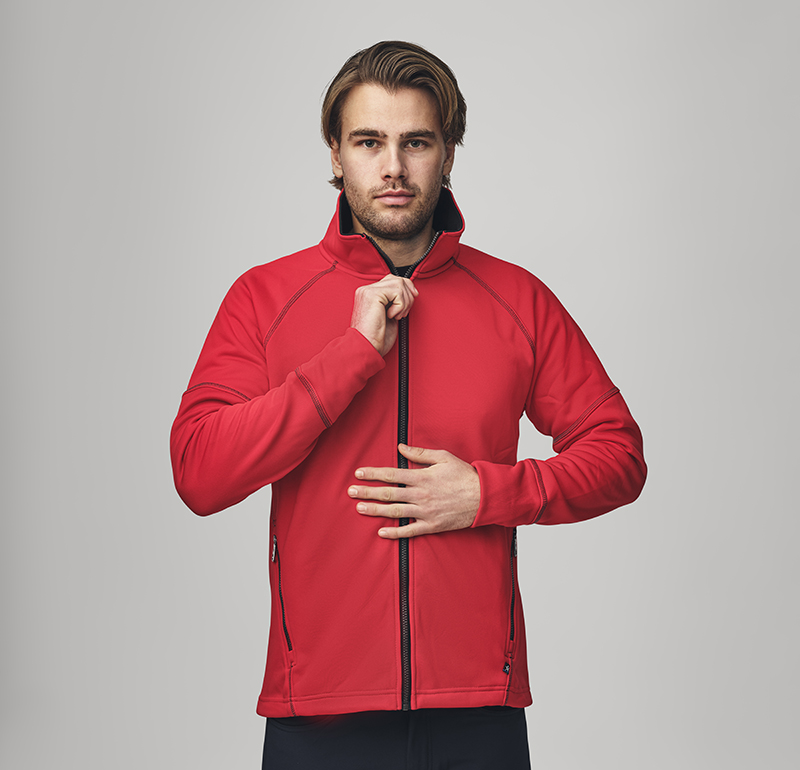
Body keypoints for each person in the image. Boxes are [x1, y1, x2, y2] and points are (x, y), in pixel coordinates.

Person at [170, 40, 646, 770]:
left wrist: (488, 494)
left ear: (447, 153)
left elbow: (618, 456)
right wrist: (350, 356)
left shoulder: (517, 299)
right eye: (369, 142)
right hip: (318, 717)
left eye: (416, 142)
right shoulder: (263, 298)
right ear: (335, 154)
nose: (392, 167)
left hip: (478, 712)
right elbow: (200, 473)